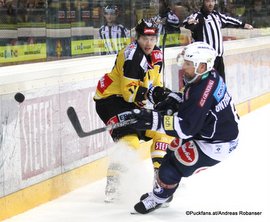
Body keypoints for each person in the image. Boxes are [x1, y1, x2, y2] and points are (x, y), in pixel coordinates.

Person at [124, 41, 240, 214]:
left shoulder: (203, 91)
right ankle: (166, 191)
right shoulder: (208, 75)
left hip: (215, 144)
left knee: (171, 167)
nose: (183, 67)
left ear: (202, 66)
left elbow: (186, 128)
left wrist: (152, 119)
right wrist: (174, 100)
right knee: (171, 151)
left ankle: (159, 198)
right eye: (184, 62)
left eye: (188, 64)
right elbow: (191, 102)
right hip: (208, 131)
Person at [93, 18, 174, 202]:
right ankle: (113, 185)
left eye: (152, 39)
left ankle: (161, 183)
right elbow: (129, 94)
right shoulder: (133, 57)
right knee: (130, 141)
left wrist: (162, 99)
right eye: (145, 38)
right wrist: (154, 94)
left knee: (162, 132)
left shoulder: (157, 54)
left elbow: (155, 82)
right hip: (110, 101)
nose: (149, 43)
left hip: (132, 102)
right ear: (137, 37)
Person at [182, 0, 253, 82]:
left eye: (213, 1)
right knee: (207, 85)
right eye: (208, 1)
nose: (211, 4)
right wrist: (189, 22)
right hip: (206, 60)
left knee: (221, 82)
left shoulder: (216, 15)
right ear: (203, 2)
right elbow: (187, 22)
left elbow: (228, 19)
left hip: (219, 58)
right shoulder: (198, 15)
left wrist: (243, 24)